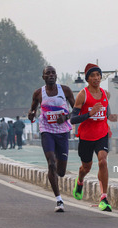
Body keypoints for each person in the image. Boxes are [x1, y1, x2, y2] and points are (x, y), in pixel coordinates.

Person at [70, 63, 118, 212]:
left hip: (102, 133)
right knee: (86, 167)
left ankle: (103, 198)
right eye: (92, 76)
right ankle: (80, 180)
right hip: (86, 136)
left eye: (98, 75)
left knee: (103, 161)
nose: (96, 78)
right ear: (87, 79)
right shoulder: (82, 95)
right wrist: (89, 114)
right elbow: (73, 119)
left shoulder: (105, 94)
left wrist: (111, 117)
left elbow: (106, 112)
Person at [28, 66, 75, 212]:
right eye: (47, 73)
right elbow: (33, 111)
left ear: (56, 75)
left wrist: (66, 117)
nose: (51, 75)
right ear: (43, 77)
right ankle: (59, 200)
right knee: (51, 163)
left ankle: (56, 170)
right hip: (46, 131)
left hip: (62, 132)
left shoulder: (65, 90)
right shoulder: (38, 93)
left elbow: (77, 111)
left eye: (53, 73)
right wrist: (31, 115)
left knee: (61, 171)